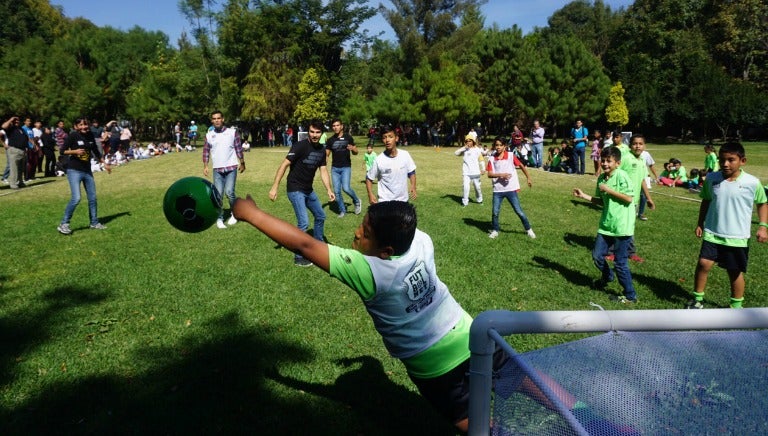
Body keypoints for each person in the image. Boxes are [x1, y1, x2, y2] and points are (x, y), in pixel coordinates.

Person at [231, 198, 634, 434]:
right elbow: (401, 219)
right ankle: (596, 424)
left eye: (364, 231)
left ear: (385, 248)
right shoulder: (420, 240)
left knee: (472, 424)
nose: (355, 234)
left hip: (433, 368)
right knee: (533, 383)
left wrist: (250, 213)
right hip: (472, 335)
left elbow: (303, 242)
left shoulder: (369, 270)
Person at [687, 142, 768, 309]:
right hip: (712, 231)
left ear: (742, 161)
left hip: (737, 236)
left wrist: (762, 226)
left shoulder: (752, 182)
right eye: (722, 160)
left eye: (731, 160)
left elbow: (762, 203)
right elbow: (706, 200)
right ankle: (697, 299)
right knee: (704, 264)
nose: (725, 164)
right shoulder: (711, 178)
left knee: (734, 271)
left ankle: (736, 306)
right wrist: (700, 222)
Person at [573, 146, 637, 304]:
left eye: (609, 161)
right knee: (597, 256)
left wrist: (609, 190)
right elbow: (600, 201)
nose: (605, 164)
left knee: (620, 263)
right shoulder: (601, 178)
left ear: (618, 163)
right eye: (603, 160)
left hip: (622, 227)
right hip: (606, 225)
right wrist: (584, 196)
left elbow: (629, 198)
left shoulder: (622, 176)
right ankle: (608, 276)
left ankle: (630, 295)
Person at [269, 119, 335, 267]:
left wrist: (329, 190)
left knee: (320, 215)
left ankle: (318, 245)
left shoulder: (322, 150)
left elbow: (323, 170)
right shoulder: (300, 146)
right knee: (304, 222)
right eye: (312, 131)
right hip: (295, 188)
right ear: (308, 132)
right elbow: (284, 164)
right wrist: (275, 186)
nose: (315, 135)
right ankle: (299, 257)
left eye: (318, 132)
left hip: (308, 189)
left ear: (322, 134)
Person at [57, 117, 111, 235]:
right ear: (76, 127)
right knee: (76, 198)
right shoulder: (72, 136)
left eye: (85, 124)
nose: (84, 127)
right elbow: (62, 151)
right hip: (74, 171)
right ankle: (64, 224)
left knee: (92, 198)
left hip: (87, 171)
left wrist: (104, 163)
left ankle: (94, 222)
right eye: (80, 125)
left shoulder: (90, 135)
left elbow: (96, 152)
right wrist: (74, 152)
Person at [202, 111, 246, 229]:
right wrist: (206, 166)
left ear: (223, 119)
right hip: (217, 170)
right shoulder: (209, 135)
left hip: (231, 168)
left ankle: (234, 214)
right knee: (218, 194)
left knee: (230, 192)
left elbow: (238, 149)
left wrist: (242, 163)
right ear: (212, 121)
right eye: (214, 118)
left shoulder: (232, 133)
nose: (216, 120)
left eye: (218, 118)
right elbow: (206, 151)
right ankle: (219, 217)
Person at [486, 136, 535, 239]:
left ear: (505, 146)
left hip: (510, 189)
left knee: (519, 211)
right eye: (496, 145)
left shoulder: (510, 156)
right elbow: (489, 174)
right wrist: (501, 175)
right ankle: (495, 230)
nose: (498, 147)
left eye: (500, 145)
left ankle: (528, 229)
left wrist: (528, 178)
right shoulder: (491, 158)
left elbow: (521, 166)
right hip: (498, 190)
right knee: (495, 212)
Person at [365, 126, 417, 203]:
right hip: (385, 201)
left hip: (403, 201)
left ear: (396, 138)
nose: (387, 140)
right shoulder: (378, 160)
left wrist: (413, 186)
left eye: (390, 137)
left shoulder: (405, 155)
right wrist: (370, 194)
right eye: (384, 137)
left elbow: (411, 172)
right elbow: (369, 178)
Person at [325, 118, 362, 217]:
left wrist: (353, 148)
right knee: (337, 191)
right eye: (333, 126)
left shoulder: (348, 138)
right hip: (335, 169)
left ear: (341, 126)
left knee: (346, 188)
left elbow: (356, 152)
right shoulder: (330, 140)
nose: (335, 127)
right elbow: (327, 154)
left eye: (337, 125)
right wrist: (324, 161)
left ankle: (357, 201)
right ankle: (342, 211)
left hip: (346, 167)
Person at [454, 134, 486, 206]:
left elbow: (481, 159)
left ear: (473, 141)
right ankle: (465, 202)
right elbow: (456, 153)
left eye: (470, 141)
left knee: (477, 187)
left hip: (476, 172)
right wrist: (464, 148)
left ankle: (479, 199)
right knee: (465, 187)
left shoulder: (477, 149)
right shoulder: (464, 150)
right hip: (466, 173)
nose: (468, 142)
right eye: (467, 141)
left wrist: (483, 169)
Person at [1, 116, 28, 189]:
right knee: (14, 168)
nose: (17, 121)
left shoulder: (21, 129)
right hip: (14, 150)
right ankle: (13, 184)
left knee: (20, 168)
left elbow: (25, 138)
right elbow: (3, 126)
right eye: (15, 120)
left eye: (18, 120)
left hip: (22, 150)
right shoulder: (10, 128)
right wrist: (11, 119)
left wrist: (26, 148)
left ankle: (20, 182)